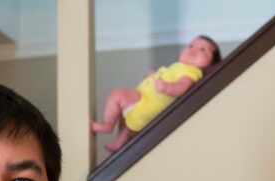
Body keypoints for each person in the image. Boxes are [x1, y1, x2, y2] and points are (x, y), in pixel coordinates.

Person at [92, 36, 221, 153]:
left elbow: (183, 85)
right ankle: (119, 143)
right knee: (125, 120)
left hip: (146, 102)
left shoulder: (192, 72)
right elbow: (165, 78)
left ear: (211, 63)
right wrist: (154, 76)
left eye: (203, 49)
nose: (194, 50)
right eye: (191, 45)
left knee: (117, 95)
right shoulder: (177, 67)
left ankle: (107, 125)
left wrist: (167, 87)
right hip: (144, 99)